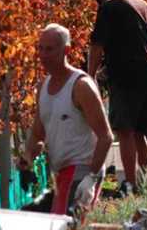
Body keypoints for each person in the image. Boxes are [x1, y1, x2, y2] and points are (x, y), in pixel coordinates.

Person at [23, 24, 113, 216]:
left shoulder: (81, 86)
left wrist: (92, 177)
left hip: (83, 168)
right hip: (62, 171)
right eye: (40, 48)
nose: (43, 55)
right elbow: (38, 134)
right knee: (62, 229)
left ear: (66, 50)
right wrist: (28, 158)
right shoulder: (43, 87)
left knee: (65, 228)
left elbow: (106, 137)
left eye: (49, 49)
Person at [88, 0, 147, 195]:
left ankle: (129, 184)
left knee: (125, 130)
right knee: (140, 132)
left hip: (128, 74)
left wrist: (90, 76)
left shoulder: (109, 5)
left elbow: (97, 45)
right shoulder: (142, 4)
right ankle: (146, 181)